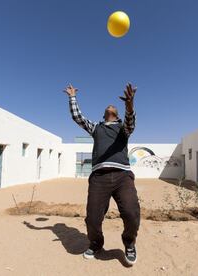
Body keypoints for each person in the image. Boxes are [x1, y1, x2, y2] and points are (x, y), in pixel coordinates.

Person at [63, 83, 140, 265]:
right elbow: (78, 117)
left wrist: (130, 105)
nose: (110, 106)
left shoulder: (123, 129)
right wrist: (72, 97)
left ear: (118, 114)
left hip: (123, 177)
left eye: (114, 107)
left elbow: (131, 121)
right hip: (99, 179)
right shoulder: (96, 128)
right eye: (108, 107)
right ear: (104, 115)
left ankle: (129, 243)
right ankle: (96, 244)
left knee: (131, 212)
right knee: (93, 218)